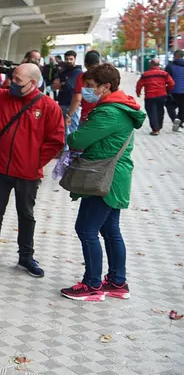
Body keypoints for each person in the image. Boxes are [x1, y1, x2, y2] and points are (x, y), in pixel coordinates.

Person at [0, 63, 65, 278]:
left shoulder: (48, 106)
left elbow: (56, 141)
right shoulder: (0, 96)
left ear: (33, 83)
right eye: (13, 78)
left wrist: (34, 162)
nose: (12, 83)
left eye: (18, 80)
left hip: (28, 174)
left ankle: (26, 258)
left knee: (26, 215)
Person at [60, 64, 145, 301]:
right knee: (110, 230)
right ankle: (117, 282)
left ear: (106, 87)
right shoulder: (120, 107)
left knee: (86, 230)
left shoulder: (109, 112)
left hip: (103, 179)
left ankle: (92, 285)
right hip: (113, 177)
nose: (86, 91)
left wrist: (72, 133)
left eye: (90, 87)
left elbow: (78, 139)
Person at [136, 58, 175, 135]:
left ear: (151, 64)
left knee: (151, 112)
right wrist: (167, 90)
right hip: (162, 96)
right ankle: (159, 126)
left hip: (149, 96)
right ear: (158, 64)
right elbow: (172, 83)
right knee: (160, 111)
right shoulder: (164, 74)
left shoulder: (145, 75)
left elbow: (139, 84)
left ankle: (155, 129)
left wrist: (138, 92)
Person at [54, 50, 83, 134]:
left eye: (71, 59)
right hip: (62, 103)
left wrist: (61, 84)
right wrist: (61, 84)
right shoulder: (63, 71)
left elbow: (67, 87)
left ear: (75, 59)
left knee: (72, 129)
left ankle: (72, 147)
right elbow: (54, 85)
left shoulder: (77, 72)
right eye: (67, 59)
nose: (69, 61)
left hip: (71, 105)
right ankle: (66, 147)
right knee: (63, 130)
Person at [70, 51, 101, 126]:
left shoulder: (82, 77)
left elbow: (77, 99)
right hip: (103, 116)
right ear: (99, 62)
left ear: (85, 64)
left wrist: (69, 114)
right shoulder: (106, 76)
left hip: (87, 117)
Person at [164, 49, 184, 131]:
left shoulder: (170, 66)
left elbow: (165, 78)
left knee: (169, 106)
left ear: (176, 56)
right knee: (183, 108)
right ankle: (180, 122)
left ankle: (175, 119)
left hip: (173, 90)